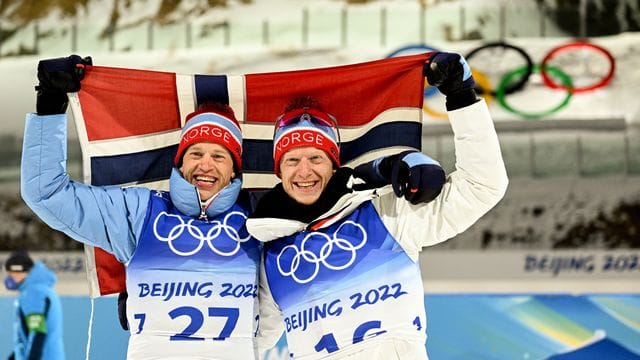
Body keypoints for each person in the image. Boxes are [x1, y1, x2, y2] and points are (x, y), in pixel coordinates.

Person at [247, 51, 509, 359]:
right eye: (292, 160)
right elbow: (245, 342)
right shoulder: (270, 255)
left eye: (316, 158)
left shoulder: (387, 214)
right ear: (279, 171)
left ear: (334, 164)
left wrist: (462, 98)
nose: (305, 171)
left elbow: (482, 186)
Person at [21, 55, 262, 359]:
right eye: (196, 152)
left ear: (234, 170)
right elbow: (46, 193)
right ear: (180, 160)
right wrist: (51, 106)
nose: (205, 164)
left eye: (219, 156)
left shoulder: (260, 218)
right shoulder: (140, 213)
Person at [4, 251, 65, 360]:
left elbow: (37, 333)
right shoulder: (41, 290)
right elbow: (26, 338)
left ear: (20, 271)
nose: (9, 278)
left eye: (10, 274)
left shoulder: (33, 292)